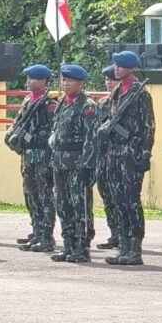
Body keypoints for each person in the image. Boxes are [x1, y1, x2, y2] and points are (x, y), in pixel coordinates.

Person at [101, 51, 155, 266]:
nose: (116, 69)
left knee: (131, 202)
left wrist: (145, 154)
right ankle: (123, 246)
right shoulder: (117, 93)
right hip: (114, 154)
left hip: (131, 155)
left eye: (120, 65)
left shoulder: (140, 93)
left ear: (130, 68)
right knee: (118, 201)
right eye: (115, 65)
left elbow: (148, 126)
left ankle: (135, 248)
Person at [47, 64, 99, 263]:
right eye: (64, 80)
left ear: (80, 82)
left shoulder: (87, 107)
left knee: (81, 206)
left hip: (78, 164)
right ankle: (68, 245)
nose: (66, 83)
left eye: (70, 80)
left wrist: (87, 166)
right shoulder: (62, 103)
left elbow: (92, 139)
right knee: (63, 205)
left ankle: (82, 247)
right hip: (60, 162)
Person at [5, 64, 56, 253]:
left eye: (33, 78)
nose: (28, 81)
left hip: (42, 155)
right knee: (31, 194)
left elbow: (53, 132)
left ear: (43, 81)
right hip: (27, 155)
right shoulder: (28, 101)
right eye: (28, 78)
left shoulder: (49, 104)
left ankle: (46, 236)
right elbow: (18, 123)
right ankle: (37, 230)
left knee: (44, 196)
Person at [95, 66, 121, 250]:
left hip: (120, 156)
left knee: (120, 196)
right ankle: (114, 233)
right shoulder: (103, 103)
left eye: (112, 79)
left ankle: (124, 234)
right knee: (107, 196)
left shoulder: (126, 101)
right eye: (107, 79)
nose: (109, 82)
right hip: (103, 156)